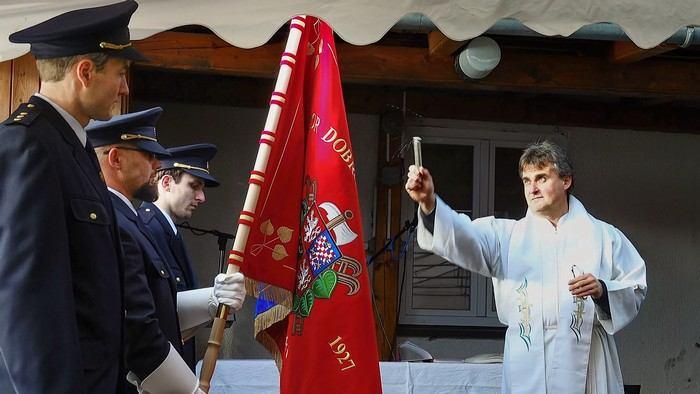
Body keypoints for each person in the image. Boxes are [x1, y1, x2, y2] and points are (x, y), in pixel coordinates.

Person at [405, 140, 647, 393]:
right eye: (526, 180)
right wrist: (429, 203)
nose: (532, 188)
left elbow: (636, 286)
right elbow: (463, 237)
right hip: (526, 358)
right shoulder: (507, 236)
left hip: (588, 362)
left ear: (566, 181)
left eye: (541, 178)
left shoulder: (604, 237)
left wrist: (603, 291)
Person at [0, 1, 146, 392]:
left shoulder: (70, 147)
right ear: (85, 72)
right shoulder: (30, 145)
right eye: (120, 74)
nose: (124, 88)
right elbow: (27, 302)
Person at [87, 107, 246, 393]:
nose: (157, 163)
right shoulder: (110, 222)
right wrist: (186, 389)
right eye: (148, 155)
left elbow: (154, 306)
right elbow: (135, 325)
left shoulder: (127, 219)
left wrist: (210, 299)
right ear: (115, 159)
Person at [139, 143, 221, 370]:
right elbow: (154, 309)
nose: (202, 197)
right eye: (194, 186)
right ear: (166, 183)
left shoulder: (168, 231)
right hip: (157, 369)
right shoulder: (146, 229)